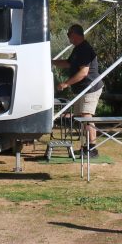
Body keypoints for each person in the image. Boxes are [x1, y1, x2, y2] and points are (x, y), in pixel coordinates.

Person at [52, 24, 103, 156]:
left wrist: (66, 84)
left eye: (69, 34)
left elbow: (84, 72)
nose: (68, 37)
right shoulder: (78, 49)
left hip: (90, 88)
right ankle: (86, 147)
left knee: (86, 116)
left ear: (75, 34)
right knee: (81, 117)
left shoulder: (84, 49)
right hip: (81, 89)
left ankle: (93, 148)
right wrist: (51, 61)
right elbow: (69, 63)